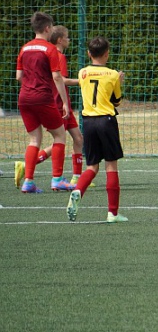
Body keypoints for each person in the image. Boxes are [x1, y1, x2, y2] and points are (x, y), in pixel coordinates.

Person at [66, 36, 126, 223]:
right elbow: (116, 101)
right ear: (107, 54)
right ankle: (112, 214)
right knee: (111, 165)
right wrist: (119, 81)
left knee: (92, 166)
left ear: (88, 54)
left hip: (89, 122)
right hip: (106, 121)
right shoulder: (112, 74)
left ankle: (78, 190)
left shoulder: (83, 72)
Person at [14, 12, 72, 193]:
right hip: (42, 97)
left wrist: (30, 87)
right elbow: (57, 77)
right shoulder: (49, 49)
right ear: (47, 28)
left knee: (34, 139)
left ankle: (29, 182)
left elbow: (19, 77)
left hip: (24, 98)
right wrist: (64, 102)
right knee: (60, 135)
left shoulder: (24, 48)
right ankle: (57, 179)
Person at [32, 25, 84, 188]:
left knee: (78, 138)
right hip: (59, 104)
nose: (69, 40)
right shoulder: (58, 56)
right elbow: (61, 79)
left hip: (62, 103)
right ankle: (30, 166)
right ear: (60, 40)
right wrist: (84, 80)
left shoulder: (52, 54)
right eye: (67, 37)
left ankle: (76, 176)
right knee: (59, 141)